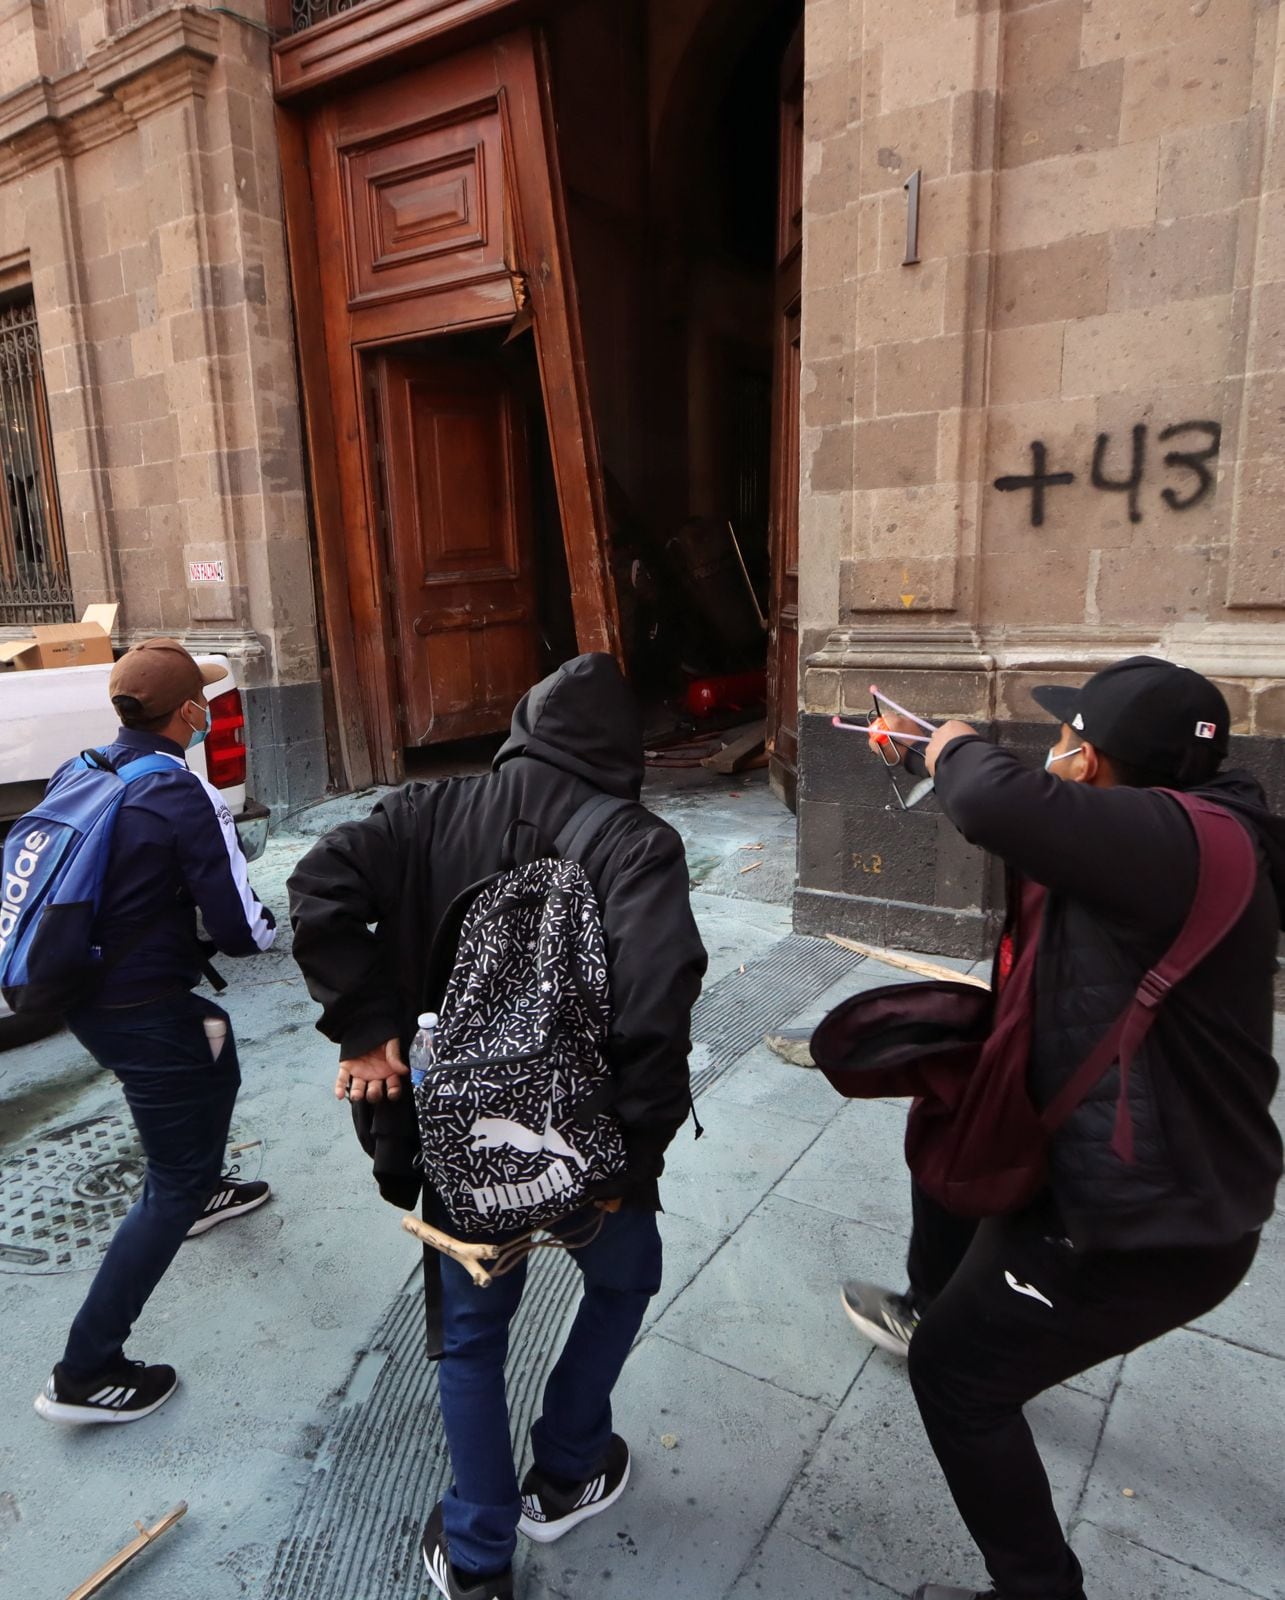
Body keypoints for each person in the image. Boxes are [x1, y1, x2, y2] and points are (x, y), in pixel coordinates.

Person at [838, 656, 1284, 1600]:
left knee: (957, 1384)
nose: (1055, 751)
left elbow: (1001, 805)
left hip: (1147, 1220)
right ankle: (933, 1299)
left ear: (1102, 765)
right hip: (1113, 1161)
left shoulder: (1177, 843)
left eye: (1069, 739)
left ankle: (1037, 1590)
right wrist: (923, 758)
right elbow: (1029, 821)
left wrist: (954, 745)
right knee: (951, 1140)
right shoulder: (1174, 833)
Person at [287, 653, 707, 1600]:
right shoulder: (635, 844)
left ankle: (478, 1553)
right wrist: (630, 1160)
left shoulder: (424, 812)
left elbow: (318, 887)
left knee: (473, 1332)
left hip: (454, 1136)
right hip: (585, 1139)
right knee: (623, 1276)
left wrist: (365, 1027)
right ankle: (567, 1467)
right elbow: (654, 1009)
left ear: (523, 724)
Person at [34, 637, 275, 1426]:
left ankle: (203, 1183)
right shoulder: (179, 792)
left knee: (215, 1042)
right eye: (202, 700)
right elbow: (241, 930)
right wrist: (278, 924)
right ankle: (86, 1370)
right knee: (167, 1179)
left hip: (86, 991)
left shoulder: (85, 768)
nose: (208, 709)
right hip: (141, 1007)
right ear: (188, 714)